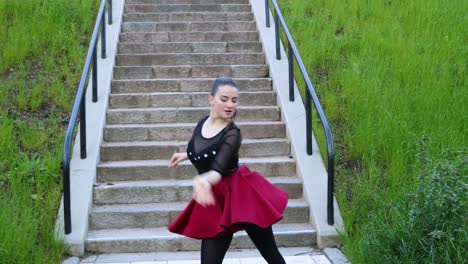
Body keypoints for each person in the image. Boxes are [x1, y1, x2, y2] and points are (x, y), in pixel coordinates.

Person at [168, 77, 288, 264]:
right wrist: (186, 155)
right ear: (211, 100)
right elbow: (204, 148)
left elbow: (217, 170)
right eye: (224, 99)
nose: (230, 104)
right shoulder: (202, 123)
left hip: (243, 196)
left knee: (271, 254)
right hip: (216, 202)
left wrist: (203, 181)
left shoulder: (232, 134)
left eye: (234, 100)